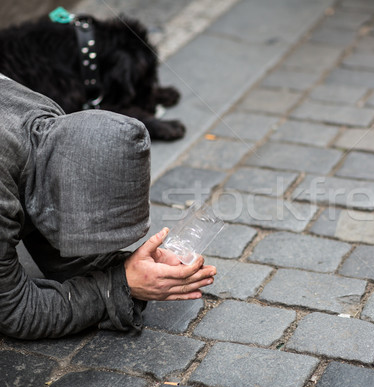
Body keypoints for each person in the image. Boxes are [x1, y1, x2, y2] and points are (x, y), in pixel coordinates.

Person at [0, 73, 216, 339]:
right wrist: (122, 284)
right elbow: (17, 311)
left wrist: (135, 268)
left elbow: (55, 237)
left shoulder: (49, 123)